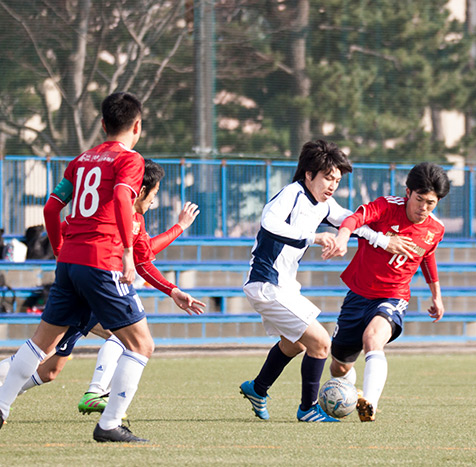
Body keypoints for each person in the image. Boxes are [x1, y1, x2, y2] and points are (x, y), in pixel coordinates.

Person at [0, 92, 198, 443]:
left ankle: (1, 407)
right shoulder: (131, 161)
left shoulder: (80, 161)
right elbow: (123, 198)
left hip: (71, 262)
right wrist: (123, 252)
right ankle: (109, 424)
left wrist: (62, 249)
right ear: (137, 126)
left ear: (103, 124)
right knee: (141, 345)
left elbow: (50, 209)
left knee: (40, 343)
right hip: (102, 261)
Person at [239, 139, 395, 423]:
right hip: (266, 283)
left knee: (296, 343)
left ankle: (257, 388)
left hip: (284, 285)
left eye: (336, 179)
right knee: (321, 343)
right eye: (327, 178)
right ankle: (308, 408)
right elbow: (269, 223)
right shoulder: (292, 193)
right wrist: (314, 237)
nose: (332, 185)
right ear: (309, 174)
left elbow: (351, 221)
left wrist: (384, 240)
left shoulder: (324, 204)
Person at [324, 162, 450, 422]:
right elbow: (355, 218)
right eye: (419, 200)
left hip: (394, 295)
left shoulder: (435, 229)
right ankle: (350, 392)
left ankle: (369, 403)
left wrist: (436, 294)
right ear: (408, 192)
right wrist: (343, 235)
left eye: (431, 203)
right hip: (358, 294)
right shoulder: (386, 206)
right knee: (338, 366)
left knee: (373, 339)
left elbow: (427, 256)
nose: (424, 208)